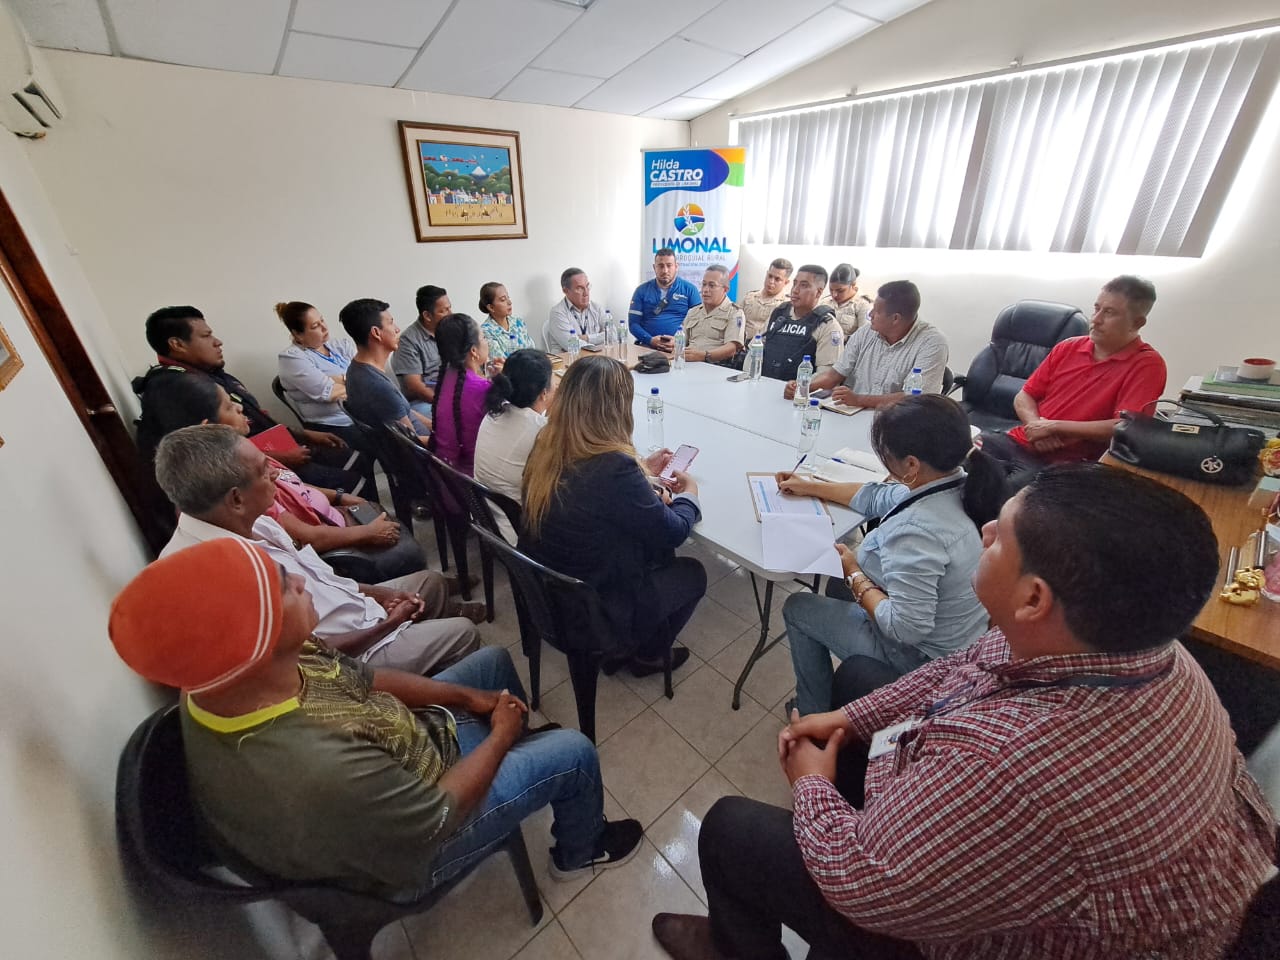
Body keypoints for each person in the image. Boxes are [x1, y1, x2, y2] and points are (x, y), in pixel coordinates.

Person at [653, 463, 1278, 960]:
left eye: (1000, 534)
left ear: (1034, 597)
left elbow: (864, 886)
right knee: (861, 681)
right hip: (1027, 855)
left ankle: (734, 945)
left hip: (983, 938)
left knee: (731, 828)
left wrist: (812, 784)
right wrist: (850, 719)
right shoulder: (1146, 651)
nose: (983, 533)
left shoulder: (1010, 764)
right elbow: (959, 667)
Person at [108, 539, 645, 898]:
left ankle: (520, 752)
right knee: (575, 754)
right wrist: (500, 738)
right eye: (283, 586)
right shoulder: (306, 765)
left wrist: (469, 698)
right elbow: (438, 817)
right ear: (254, 641)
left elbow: (366, 680)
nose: (301, 583)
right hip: (418, 844)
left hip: (411, 753)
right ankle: (580, 851)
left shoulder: (256, 665)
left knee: (492, 665)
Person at [155, 424, 481, 674]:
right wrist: (389, 623)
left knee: (430, 583)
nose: (276, 473)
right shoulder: (218, 577)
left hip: (357, 612)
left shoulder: (248, 518)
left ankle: (423, 641)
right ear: (236, 498)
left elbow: (322, 578)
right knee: (463, 634)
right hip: (352, 656)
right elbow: (310, 659)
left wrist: (379, 595)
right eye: (263, 470)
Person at [776, 395, 1002, 716]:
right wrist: (809, 486)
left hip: (921, 660)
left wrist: (854, 572)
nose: (883, 459)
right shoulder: (957, 482)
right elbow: (875, 496)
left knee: (798, 607)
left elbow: (906, 629)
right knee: (837, 588)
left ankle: (812, 713)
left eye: (885, 453)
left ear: (911, 465)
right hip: (960, 637)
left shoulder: (918, 530)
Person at [519, 355, 706, 679]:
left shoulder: (547, 444)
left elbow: (593, 494)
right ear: (615, 409)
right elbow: (674, 531)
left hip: (552, 591)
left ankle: (631, 643)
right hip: (593, 607)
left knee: (652, 546)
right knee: (693, 573)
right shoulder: (613, 467)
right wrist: (689, 495)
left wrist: (642, 471)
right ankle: (645, 655)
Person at [137, 374, 428, 582]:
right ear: (208, 427)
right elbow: (305, 537)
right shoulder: (240, 486)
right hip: (335, 541)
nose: (239, 406)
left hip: (333, 517)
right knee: (418, 565)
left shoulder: (243, 452)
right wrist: (366, 533)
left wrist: (340, 497)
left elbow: (294, 484)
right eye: (227, 406)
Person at [136, 304, 365, 493]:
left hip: (276, 449)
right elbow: (211, 456)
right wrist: (278, 457)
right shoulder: (178, 389)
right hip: (256, 470)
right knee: (352, 481)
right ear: (177, 344)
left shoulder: (208, 373)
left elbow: (257, 418)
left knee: (355, 459)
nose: (217, 342)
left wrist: (304, 434)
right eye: (206, 336)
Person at [979, 276, 1167, 484]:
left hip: (1064, 464)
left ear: (1137, 323)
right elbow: (1025, 395)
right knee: (956, 456)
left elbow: (1125, 426)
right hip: (1018, 441)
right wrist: (1035, 426)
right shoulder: (1068, 347)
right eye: (1096, 309)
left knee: (997, 491)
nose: (1096, 319)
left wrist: (1054, 427)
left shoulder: (1147, 364)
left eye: (1109, 313)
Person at [786, 281, 949, 408]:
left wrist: (859, 400)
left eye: (876, 311)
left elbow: (915, 398)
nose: (870, 315)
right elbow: (834, 375)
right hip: (850, 414)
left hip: (896, 423)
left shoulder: (932, 343)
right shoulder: (866, 332)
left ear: (895, 319)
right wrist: (803, 387)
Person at [474, 349, 553, 541]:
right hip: (516, 533)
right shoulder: (540, 430)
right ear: (544, 393)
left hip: (486, 518)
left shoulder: (494, 413)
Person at [339, 298, 431, 441]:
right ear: (376, 333)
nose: (397, 329)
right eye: (391, 322)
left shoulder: (356, 369)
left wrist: (438, 428)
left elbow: (405, 411)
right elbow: (413, 444)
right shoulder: (378, 386)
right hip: (429, 452)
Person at [274, 300, 360, 442]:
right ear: (298, 334)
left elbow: (370, 375)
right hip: (333, 426)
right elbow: (330, 394)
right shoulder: (292, 358)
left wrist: (337, 379)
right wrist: (353, 379)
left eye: (322, 320)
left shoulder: (340, 345)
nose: (324, 328)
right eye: (315, 326)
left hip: (361, 417)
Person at [760, 264, 843, 381]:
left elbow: (827, 375)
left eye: (804, 285)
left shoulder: (827, 325)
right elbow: (755, 350)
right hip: (763, 385)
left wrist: (798, 387)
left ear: (818, 292)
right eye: (795, 284)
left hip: (799, 390)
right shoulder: (779, 313)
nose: (795, 290)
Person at [431, 314, 490, 476]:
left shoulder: (447, 377)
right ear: (473, 351)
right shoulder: (482, 388)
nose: (487, 342)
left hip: (445, 474)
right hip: (472, 480)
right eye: (484, 337)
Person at [392, 284, 451, 419]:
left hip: (452, 392)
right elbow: (415, 387)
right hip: (425, 401)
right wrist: (446, 403)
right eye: (444, 311)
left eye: (449, 308)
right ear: (427, 315)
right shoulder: (408, 341)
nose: (450, 314)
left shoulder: (449, 330)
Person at [628, 247, 700, 349]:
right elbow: (633, 324)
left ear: (676, 266)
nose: (665, 270)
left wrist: (679, 341)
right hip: (647, 347)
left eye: (669, 265)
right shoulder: (641, 290)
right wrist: (650, 340)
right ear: (654, 267)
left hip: (679, 348)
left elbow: (699, 324)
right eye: (660, 266)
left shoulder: (690, 290)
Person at [680, 265, 746, 364]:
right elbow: (681, 340)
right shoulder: (693, 312)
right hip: (687, 363)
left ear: (725, 289)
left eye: (712, 286)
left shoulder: (735, 313)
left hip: (717, 366)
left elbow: (731, 348)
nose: (705, 290)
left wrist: (704, 356)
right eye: (704, 284)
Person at [548, 267, 607, 351]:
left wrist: (587, 338)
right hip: (568, 358)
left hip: (596, 357)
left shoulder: (597, 308)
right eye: (579, 288)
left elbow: (612, 335)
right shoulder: (557, 313)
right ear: (565, 291)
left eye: (587, 286)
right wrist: (599, 340)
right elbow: (573, 345)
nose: (586, 293)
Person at [477, 282, 536, 362]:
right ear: (491, 307)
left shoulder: (518, 322)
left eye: (508, 297)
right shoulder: (485, 332)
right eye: (503, 300)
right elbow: (500, 361)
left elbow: (532, 349)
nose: (509, 302)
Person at [738, 258, 792, 342]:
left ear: (786, 282)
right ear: (766, 274)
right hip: (741, 344)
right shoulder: (749, 297)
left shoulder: (787, 305)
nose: (771, 281)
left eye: (777, 279)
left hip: (767, 346)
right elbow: (736, 322)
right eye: (770, 276)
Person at [821, 263, 872, 336]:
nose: (834, 295)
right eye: (831, 290)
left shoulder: (863, 305)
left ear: (853, 285)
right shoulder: (824, 302)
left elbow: (865, 336)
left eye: (840, 291)